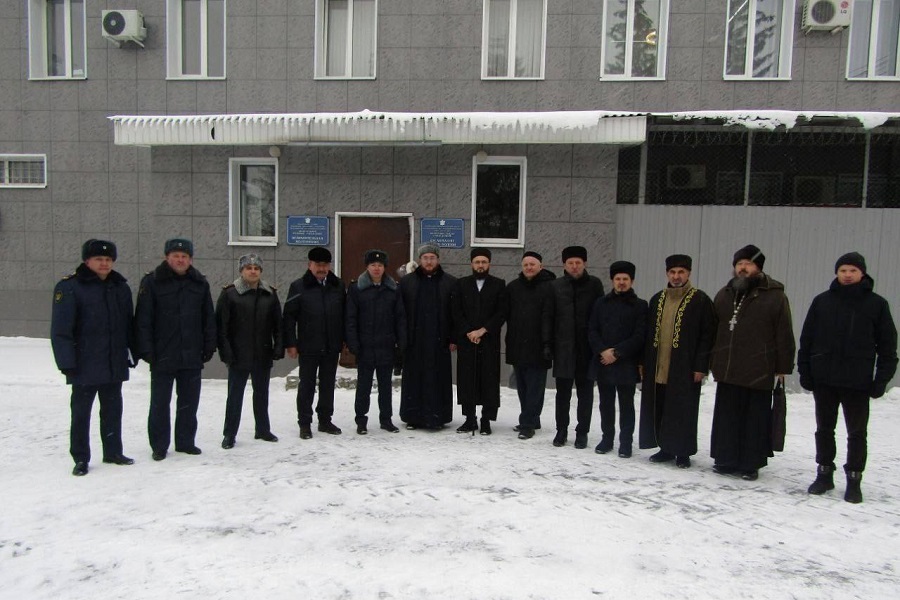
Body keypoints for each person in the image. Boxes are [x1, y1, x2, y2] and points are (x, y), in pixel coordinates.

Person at [799, 252, 898, 503]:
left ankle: (854, 480)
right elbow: (807, 339)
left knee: (856, 433)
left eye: (853, 270)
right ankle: (824, 474)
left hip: (857, 382)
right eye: (843, 270)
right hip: (825, 380)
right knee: (824, 429)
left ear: (862, 273)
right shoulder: (822, 301)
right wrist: (805, 371)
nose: (847, 275)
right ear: (836, 273)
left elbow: (888, 347)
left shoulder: (876, 304)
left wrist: (881, 380)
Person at [709, 245, 795, 481]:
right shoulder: (725, 294)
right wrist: (711, 360)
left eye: (748, 264)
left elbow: (784, 333)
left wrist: (783, 367)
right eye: (739, 264)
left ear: (758, 267)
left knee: (754, 420)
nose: (743, 268)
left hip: (759, 369)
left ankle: (750, 464)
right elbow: (712, 330)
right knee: (727, 416)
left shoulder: (775, 296)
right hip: (728, 366)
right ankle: (726, 459)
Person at [51, 239, 135, 476]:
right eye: (99, 259)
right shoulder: (70, 287)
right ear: (87, 261)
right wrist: (66, 362)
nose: (104, 263)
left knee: (112, 410)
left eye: (108, 259)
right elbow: (61, 330)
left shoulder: (120, 287)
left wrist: (132, 352)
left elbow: (128, 325)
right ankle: (80, 457)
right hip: (83, 363)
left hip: (113, 362)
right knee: (81, 414)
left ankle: (113, 451)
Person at [135, 238, 217, 461]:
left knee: (189, 402)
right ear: (167, 257)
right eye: (176, 256)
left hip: (191, 353)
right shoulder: (152, 282)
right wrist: (146, 349)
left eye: (184, 256)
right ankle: (159, 445)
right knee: (160, 403)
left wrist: (209, 345)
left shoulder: (199, 283)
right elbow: (143, 319)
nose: (180, 260)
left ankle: (185, 442)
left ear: (190, 259)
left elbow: (208, 317)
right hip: (162, 353)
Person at [639, 254, 715, 469]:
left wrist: (701, 366)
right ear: (667, 274)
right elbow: (647, 335)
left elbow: (707, 336)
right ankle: (665, 448)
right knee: (662, 406)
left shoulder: (700, 300)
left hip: (685, 366)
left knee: (683, 409)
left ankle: (683, 451)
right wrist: (644, 362)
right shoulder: (657, 299)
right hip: (659, 365)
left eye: (681, 272)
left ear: (688, 273)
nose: (676, 276)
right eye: (672, 272)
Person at [215, 254, 283, 450]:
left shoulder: (270, 294)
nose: (253, 271)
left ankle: (262, 429)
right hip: (238, 355)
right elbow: (221, 327)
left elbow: (278, 325)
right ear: (241, 271)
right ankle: (229, 434)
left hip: (262, 353)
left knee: (261, 394)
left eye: (256, 268)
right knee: (235, 396)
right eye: (248, 268)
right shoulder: (230, 294)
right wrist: (226, 352)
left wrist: (278, 346)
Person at [283, 247, 346, 439]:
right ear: (309, 265)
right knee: (307, 385)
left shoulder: (338, 285)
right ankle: (304, 423)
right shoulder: (298, 286)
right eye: (318, 264)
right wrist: (291, 343)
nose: (322, 268)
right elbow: (289, 317)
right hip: (308, 345)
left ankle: (325, 420)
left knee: (328, 384)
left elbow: (345, 315)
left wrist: (345, 340)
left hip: (331, 345)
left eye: (325, 265)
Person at [588, 260, 647, 458]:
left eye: (625, 279)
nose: (621, 282)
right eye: (618, 279)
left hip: (626, 363)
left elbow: (640, 335)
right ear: (612, 280)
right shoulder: (601, 303)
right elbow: (592, 330)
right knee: (606, 404)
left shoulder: (640, 305)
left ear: (632, 281)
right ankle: (607, 439)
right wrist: (603, 350)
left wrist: (617, 352)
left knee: (626, 405)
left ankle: (626, 442)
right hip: (603, 362)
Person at [346, 249, 406, 435]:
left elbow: (400, 318)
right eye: (373, 265)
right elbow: (350, 318)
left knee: (385, 387)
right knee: (363, 386)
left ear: (384, 267)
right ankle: (361, 420)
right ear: (367, 267)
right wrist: (353, 343)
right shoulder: (357, 288)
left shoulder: (393, 289)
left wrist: (400, 343)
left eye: (380, 265)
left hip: (386, 346)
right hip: (365, 346)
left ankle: (386, 420)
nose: (376, 268)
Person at [550, 246, 605, 449]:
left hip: (587, 349)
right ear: (564, 265)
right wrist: (548, 344)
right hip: (563, 348)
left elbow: (600, 316)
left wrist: (599, 346)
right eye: (570, 263)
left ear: (585, 264)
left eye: (578, 263)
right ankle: (561, 430)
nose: (574, 266)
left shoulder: (594, 284)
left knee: (585, 394)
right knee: (562, 394)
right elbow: (549, 317)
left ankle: (582, 432)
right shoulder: (555, 286)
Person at [399, 243, 457, 430]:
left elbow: (455, 314)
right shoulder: (407, 282)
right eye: (425, 258)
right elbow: (401, 313)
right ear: (420, 260)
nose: (429, 261)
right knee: (414, 379)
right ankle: (412, 417)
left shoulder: (450, 282)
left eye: (432, 258)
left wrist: (453, 338)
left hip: (440, 341)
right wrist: (402, 338)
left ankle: (438, 417)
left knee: (438, 379)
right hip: (415, 340)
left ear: (438, 259)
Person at [451, 248, 507, 435]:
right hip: (467, 341)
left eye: (484, 262)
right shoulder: (461, 284)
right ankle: (470, 419)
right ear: (471, 264)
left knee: (489, 380)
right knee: (467, 380)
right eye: (477, 262)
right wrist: (469, 331)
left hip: (489, 340)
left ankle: (486, 420)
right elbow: (456, 311)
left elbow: (501, 312)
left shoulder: (499, 284)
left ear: (489, 264)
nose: (480, 265)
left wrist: (483, 330)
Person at [505, 251, 556, 440]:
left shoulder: (550, 287)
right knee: (523, 386)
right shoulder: (513, 287)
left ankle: (527, 425)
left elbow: (553, 317)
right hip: (517, 343)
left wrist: (549, 343)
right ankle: (533, 419)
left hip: (540, 345)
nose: (529, 268)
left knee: (535, 386)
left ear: (540, 266)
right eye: (526, 264)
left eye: (532, 264)